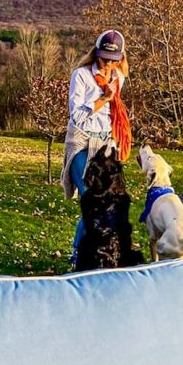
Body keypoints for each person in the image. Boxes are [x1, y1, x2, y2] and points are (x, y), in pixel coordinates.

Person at [61, 29, 132, 265]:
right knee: (91, 199)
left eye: (113, 61)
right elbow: (77, 116)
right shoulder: (81, 76)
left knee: (108, 200)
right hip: (82, 140)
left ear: (120, 59)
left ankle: (99, 251)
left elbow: (115, 116)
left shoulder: (118, 78)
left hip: (105, 142)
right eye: (103, 59)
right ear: (96, 54)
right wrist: (103, 99)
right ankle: (78, 253)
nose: (107, 65)